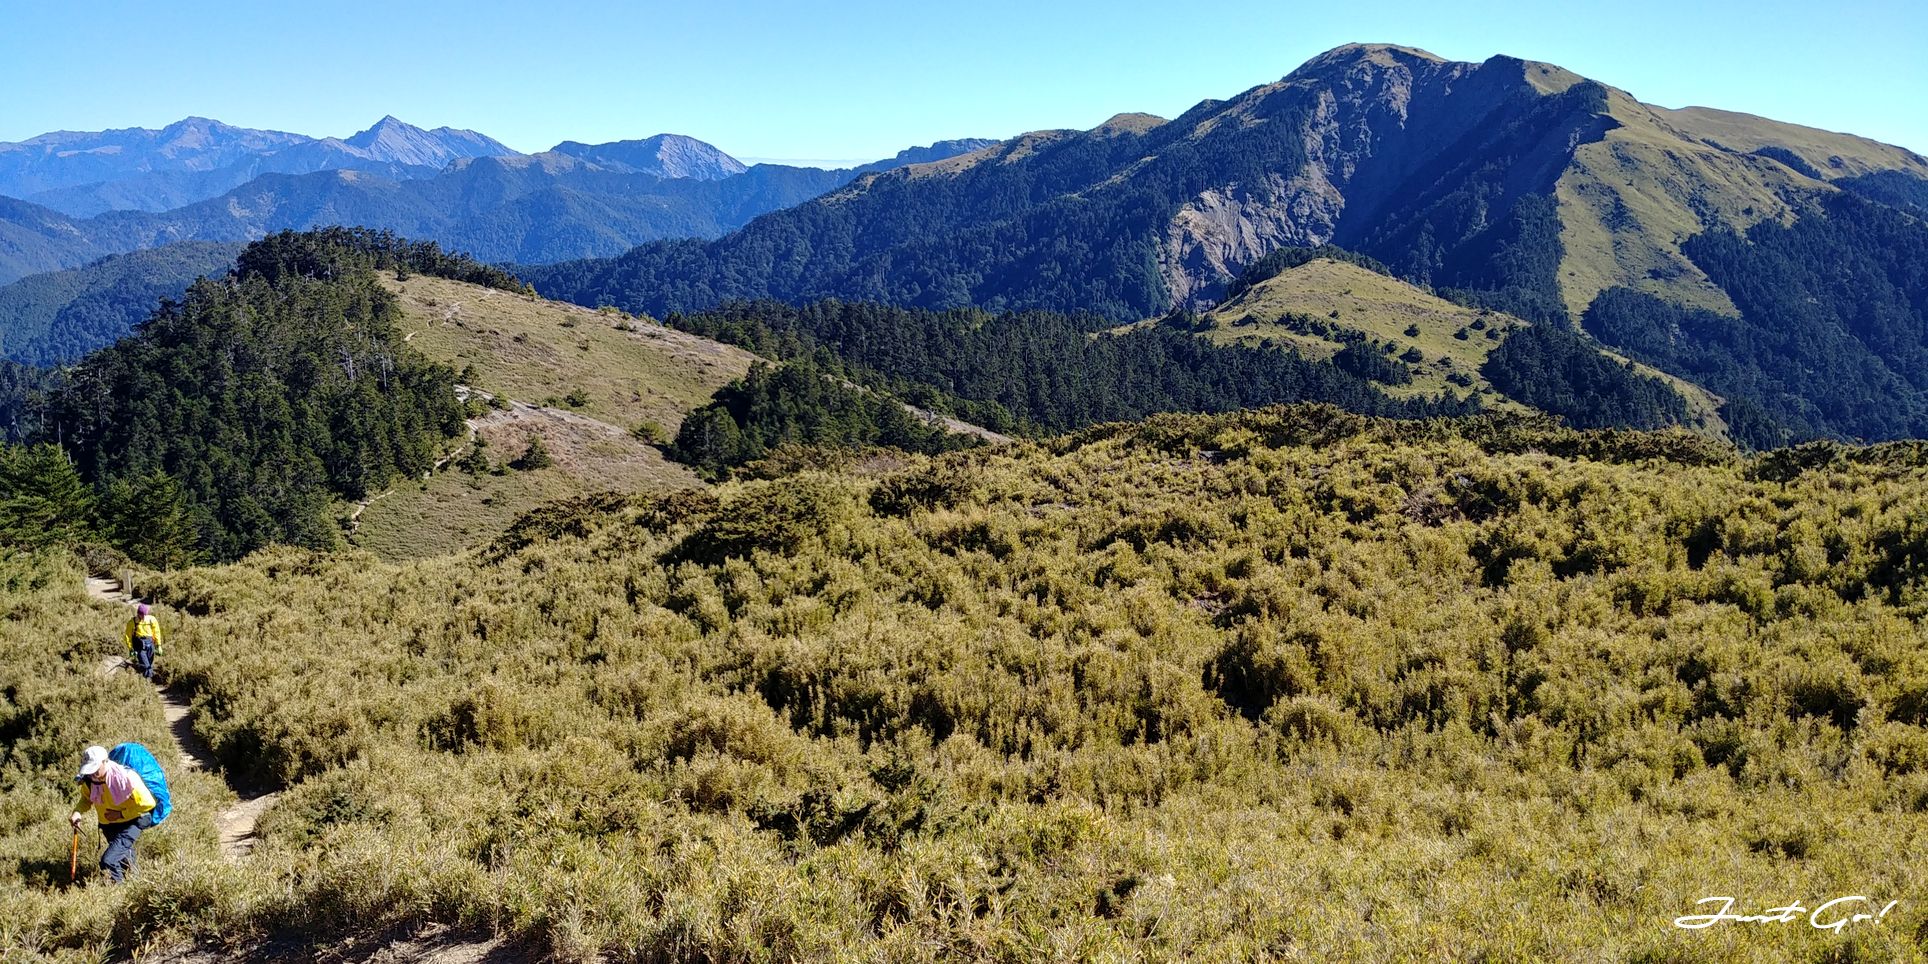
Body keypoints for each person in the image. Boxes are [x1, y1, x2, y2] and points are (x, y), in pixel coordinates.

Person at [70, 745, 157, 883]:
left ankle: (118, 892)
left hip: (133, 821)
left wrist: (120, 815)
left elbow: (148, 804)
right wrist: (77, 812)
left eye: (95, 769)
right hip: (109, 825)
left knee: (108, 861)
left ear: (105, 762)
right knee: (124, 856)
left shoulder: (127, 777)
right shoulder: (90, 781)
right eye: (89, 770)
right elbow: (86, 799)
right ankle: (136, 882)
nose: (92, 774)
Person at [124, 603, 163, 681]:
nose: (144, 616)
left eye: (145, 614)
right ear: (138, 613)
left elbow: (157, 631)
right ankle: (149, 682)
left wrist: (158, 645)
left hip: (150, 644)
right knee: (146, 665)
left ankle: (144, 678)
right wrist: (131, 648)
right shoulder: (132, 622)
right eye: (142, 614)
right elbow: (128, 636)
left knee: (149, 664)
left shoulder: (151, 619)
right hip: (139, 646)